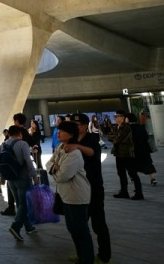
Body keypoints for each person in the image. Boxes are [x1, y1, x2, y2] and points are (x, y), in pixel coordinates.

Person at [47, 121, 94, 264]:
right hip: (65, 195)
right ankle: (81, 257)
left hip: (76, 196)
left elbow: (63, 176)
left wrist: (55, 171)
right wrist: (55, 167)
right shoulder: (60, 147)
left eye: (61, 131)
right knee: (72, 229)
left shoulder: (75, 153)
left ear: (71, 135)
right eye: (58, 130)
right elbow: (48, 163)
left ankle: (87, 260)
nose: (58, 133)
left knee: (81, 230)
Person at [68, 113, 111, 264]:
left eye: (76, 124)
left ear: (85, 126)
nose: (73, 127)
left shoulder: (92, 139)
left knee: (98, 224)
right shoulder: (71, 140)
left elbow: (93, 153)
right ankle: (83, 254)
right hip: (77, 189)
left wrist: (77, 147)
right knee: (78, 226)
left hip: (94, 187)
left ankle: (104, 257)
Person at [0, 125, 39, 241]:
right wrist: (34, 176)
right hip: (23, 177)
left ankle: (28, 227)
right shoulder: (23, 144)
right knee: (25, 203)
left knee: (19, 203)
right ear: (20, 134)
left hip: (10, 177)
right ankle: (16, 227)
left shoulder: (3, 144)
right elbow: (28, 161)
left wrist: (2, 176)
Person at [109, 110, 143, 200]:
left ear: (123, 118)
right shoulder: (117, 127)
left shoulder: (126, 127)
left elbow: (117, 139)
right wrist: (113, 137)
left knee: (132, 173)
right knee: (121, 173)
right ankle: (124, 192)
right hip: (118, 154)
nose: (115, 118)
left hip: (127, 154)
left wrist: (113, 137)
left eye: (117, 116)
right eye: (115, 116)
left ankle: (139, 193)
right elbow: (110, 136)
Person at [127, 112, 157, 189]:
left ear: (128, 119)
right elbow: (146, 137)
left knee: (132, 165)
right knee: (147, 164)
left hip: (134, 150)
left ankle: (132, 177)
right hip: (144, 149)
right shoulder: (140, 127)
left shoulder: (127, 128)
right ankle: (153, 179)